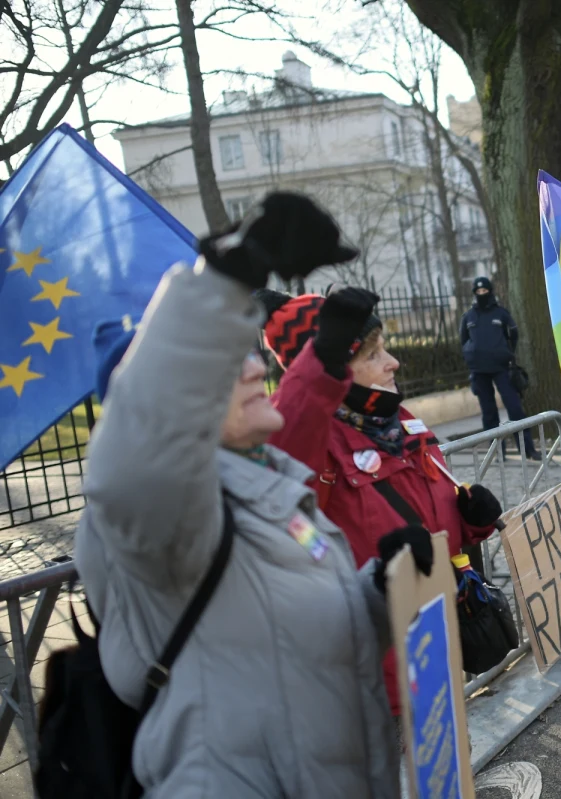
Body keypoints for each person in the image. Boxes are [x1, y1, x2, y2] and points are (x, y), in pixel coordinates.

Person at [74, 193, 403, 797]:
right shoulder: (164, 515)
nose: (258, 371)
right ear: (183, 403)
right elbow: (144, 448)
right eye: (231, 367)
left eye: (250, 357)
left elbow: (291, 631)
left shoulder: (271, 487)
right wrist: (228, 276)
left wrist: (381, 593)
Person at [260, 281, 503, 718]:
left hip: (433, 648)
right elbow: (281, 456)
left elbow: (421, 515)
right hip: (374, 680)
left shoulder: (397, 418)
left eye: (385, 348)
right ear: (327, 371)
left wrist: (471, 523)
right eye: (371, 354)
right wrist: (318, 369)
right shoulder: (314, 445)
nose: (393, 362)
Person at [460, 275, 540, 460]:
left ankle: (528, 449)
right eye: (478, 292)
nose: (481, 294)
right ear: (474, 293)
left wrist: (505, 353)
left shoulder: (501, 314)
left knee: (515, 409)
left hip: (502, 368)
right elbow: (463, 340)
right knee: (489, 414)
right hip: (479, 372)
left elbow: (514, 335)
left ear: (490, 292)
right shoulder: (468, 317)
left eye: (484, 291)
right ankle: (497, 452)